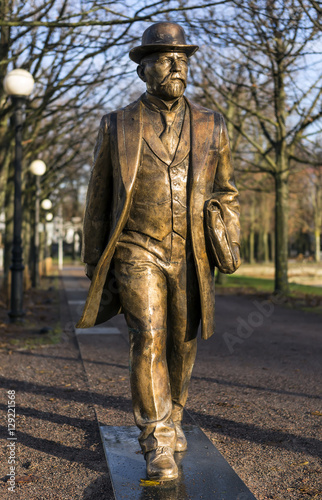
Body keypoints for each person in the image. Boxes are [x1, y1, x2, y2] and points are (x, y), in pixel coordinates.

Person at [77, 21, 240, 481]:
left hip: (190, 251)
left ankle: (176, 413)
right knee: (147, 335)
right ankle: (157, 439)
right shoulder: (116, 124)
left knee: (182, 342)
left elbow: (227, 190)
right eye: (167, 59)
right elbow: (99, 198)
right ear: (143, 69)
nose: (177, 67)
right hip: (136, 248)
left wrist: (227, 233)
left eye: (182, 60)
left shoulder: (212, 123)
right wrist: (95, 260)